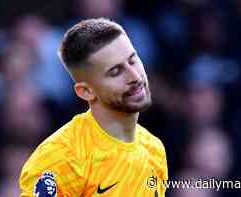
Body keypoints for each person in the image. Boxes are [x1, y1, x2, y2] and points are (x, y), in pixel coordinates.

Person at [19, 18, 168, 197]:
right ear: (86, 92)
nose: (135, 76)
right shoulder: (63, 157)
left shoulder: (154, 149)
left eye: (133, 60)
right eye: (115, 72)